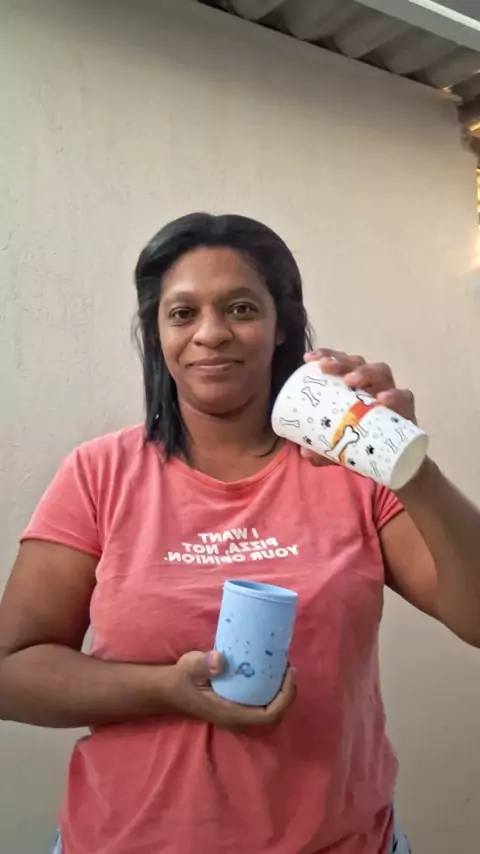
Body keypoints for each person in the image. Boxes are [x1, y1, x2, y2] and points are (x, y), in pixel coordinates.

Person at [1, 213, 479, 854]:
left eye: (241, 308)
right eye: (182, 313)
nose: (212, 333)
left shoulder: (349, 468)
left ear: (281, 326)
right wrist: (163, 689)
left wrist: (403, 458)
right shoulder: (99, 473)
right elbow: (10, 671)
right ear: (158, 334)